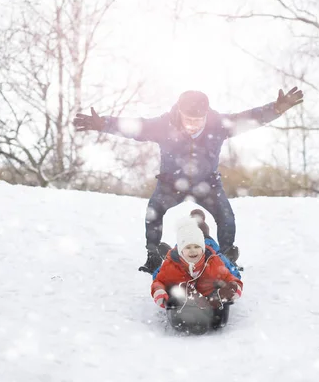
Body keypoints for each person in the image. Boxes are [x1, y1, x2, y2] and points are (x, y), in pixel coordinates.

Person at [74, 87, 303, 273]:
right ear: (179, 114)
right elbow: (136, 127)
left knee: (227, 217)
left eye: (198, 119)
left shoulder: (219, 124)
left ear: (206, 115)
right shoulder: (164, 125)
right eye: (188, 119)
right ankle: (153, 256)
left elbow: (250, 118)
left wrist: (276, 108)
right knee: (153, 212)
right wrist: (102, 123)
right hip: (170, 185)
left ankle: (224, 259)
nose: (193, 123)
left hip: (208, 185)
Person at [151, 217, 243, 313]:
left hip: (210, 249)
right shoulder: (173, 262)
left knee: (223, 261)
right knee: (168, 268)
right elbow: (159, 280)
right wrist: (159, 291)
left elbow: (231, 278)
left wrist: (234, 288)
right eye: (189, 247)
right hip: (181, 253)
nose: (193, 250)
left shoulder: (213, 260)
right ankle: (169, 253)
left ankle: (228, 258)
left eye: (196, 247)